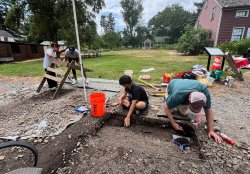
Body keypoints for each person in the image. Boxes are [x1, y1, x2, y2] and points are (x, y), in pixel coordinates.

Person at [163, 79, 222, 143]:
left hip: (185, 91)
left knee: (183, 113)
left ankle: (175, 103)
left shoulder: (205, 93)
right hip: (172, 86)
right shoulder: (178, 95)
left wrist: (211, 130)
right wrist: (173, 123)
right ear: (189, 99)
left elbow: (208, 110)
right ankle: (170, 100)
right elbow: (166, 107)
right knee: (169, 109)